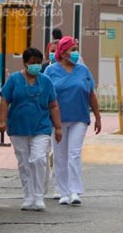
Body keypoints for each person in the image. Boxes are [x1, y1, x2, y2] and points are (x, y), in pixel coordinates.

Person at [0, 48, 62, 211]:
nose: (36, 66)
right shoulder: (14, 80)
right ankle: (28, 196)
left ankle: (39, 196)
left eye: (38, 63)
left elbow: (53, 105)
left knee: (39, 159)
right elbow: (5, 100)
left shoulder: (46, 81)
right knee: (24, 163)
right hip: (19, 128)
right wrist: (3, 121)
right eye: (32, 63)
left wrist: (58, 127)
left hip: (41, 127)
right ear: (25, 63)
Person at [43, 36, 101, 205]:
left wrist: (97, 116)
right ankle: (63, 191)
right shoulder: (50, 71)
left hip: (79, 118)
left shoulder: (83, 71)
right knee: (60, 155)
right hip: (58, 120)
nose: (76, 53)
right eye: (73, 49)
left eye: (77, 49)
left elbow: (91, 94)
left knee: (74, 154)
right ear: (63, 51)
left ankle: (75, 191)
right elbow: (45, 95)